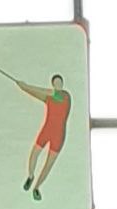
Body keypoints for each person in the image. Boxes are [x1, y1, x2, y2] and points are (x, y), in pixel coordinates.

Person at [18, 73, 71, 201]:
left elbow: (44, 91)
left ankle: (37, 187)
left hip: (59, 136)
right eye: (56, 83)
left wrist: (26, 86)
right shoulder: (49, 98)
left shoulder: (65, 96)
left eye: (60, 82)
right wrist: (24, 88)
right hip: (47, 130)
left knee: (48, 165)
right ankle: (31, 176)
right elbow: (35, 93)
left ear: (62, 84)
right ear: (53, 84)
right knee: (34, 153)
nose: (58, 84)